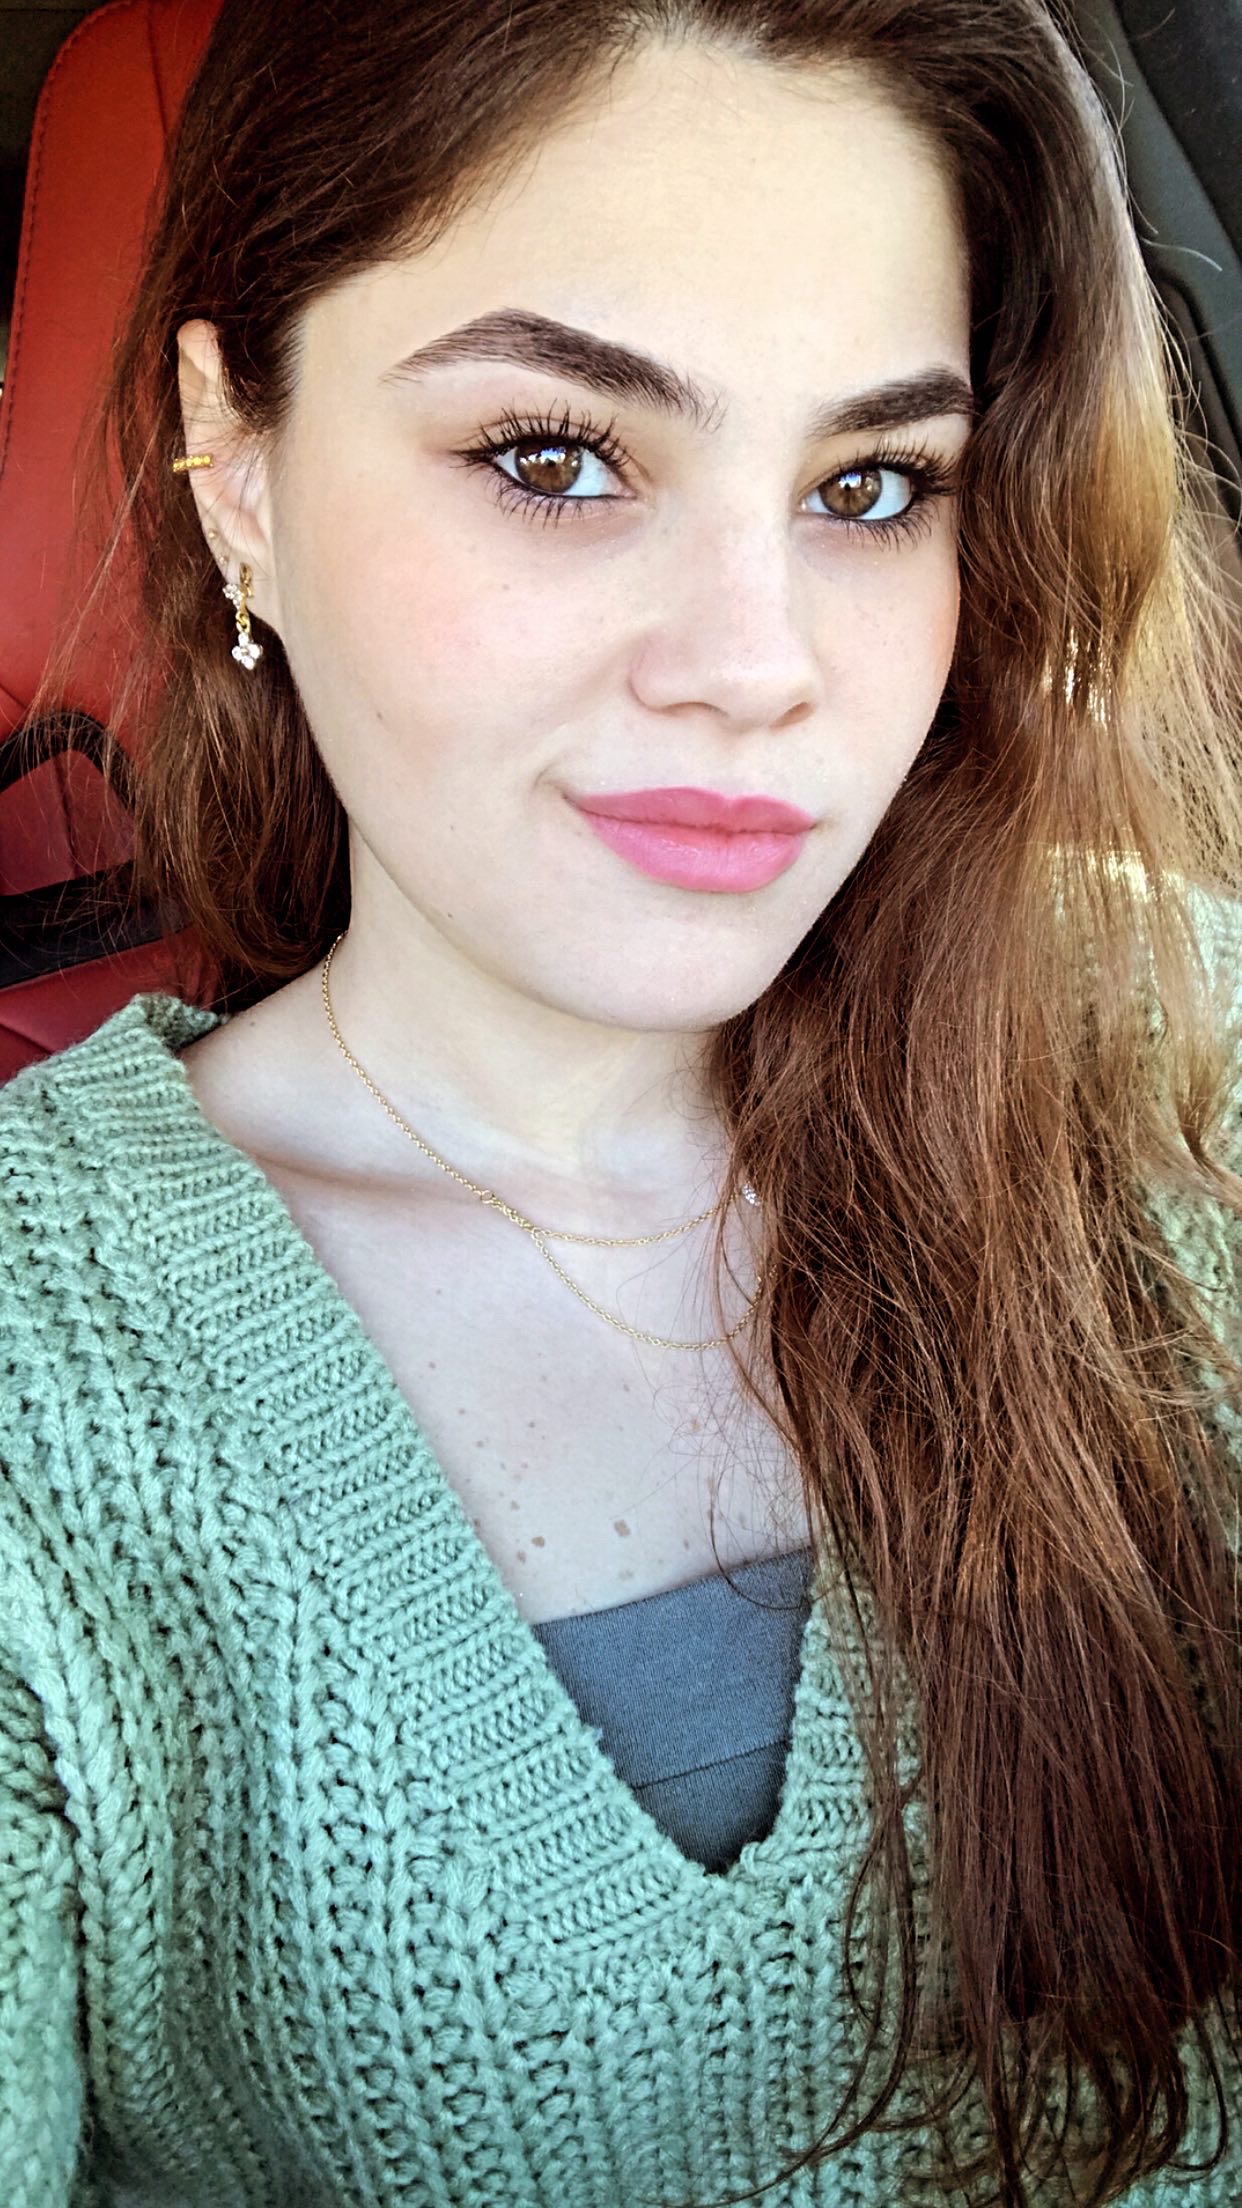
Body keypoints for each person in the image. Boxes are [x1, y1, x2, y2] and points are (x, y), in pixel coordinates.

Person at [2, 0, 1240, 2202]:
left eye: (871, 487)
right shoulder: (39, 1372)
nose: (756, 663)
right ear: (236, 467)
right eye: (557, 456)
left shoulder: (1179, 1047)